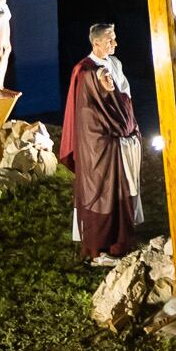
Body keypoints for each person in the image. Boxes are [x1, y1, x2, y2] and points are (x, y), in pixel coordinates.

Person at [61, 23, 144, 266]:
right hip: (99, 144)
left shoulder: (115, 64)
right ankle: (99, 249)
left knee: (122, 190)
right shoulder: (84, 70)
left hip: (120, 140)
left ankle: (120, 242)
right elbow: (85, 109)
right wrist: (97, 81)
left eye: (115, 39)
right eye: (110, 40)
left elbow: (125, 97)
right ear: (95, 43)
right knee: (103, 193)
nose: (115, 44)